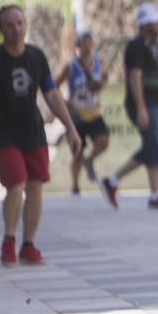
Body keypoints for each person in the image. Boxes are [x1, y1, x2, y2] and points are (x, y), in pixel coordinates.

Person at [0, 5, 81, 265]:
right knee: (16, 184)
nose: (16, 29)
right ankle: (9, 240)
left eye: (20, 23)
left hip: (33, 131)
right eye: (10, 24)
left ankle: (28, 244)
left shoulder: (36, 57)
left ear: (26, 24)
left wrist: (71, 128)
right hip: (3, 134)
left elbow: (52, 94)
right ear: (0, 29)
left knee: (35, 186)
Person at [98, 3, 158, 209]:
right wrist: (141, 107)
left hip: (154, 104)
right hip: (143, 104)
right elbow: (135, 76)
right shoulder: (137, 46)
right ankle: (120, 182)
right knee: (154, 146)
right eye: (156, 22)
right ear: (145, 24)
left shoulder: (155, 47)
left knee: (153, 147)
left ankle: (148, 191)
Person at [54, 30, 110, 194]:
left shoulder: (100, 62)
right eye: (83, 43)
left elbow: (105, 78)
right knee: (77, 151)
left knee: (103, 140)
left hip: (93, 112)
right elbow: (54, 85)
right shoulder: (71, 66)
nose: (87, 46)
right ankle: (75, 185)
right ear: (78, 45)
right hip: (76, 115)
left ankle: (90, 160)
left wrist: (101, 85)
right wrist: (64, 102)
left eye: (90, 42)